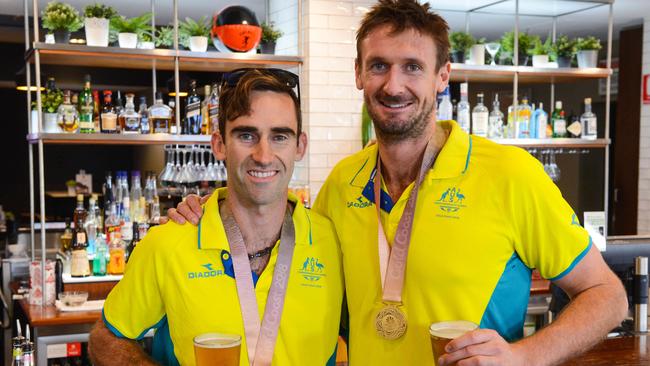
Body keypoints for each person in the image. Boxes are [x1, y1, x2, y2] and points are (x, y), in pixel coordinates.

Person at [167, 0, 628, 365]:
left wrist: (525, 357)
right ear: (358, 75)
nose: (393, 85)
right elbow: (278, 244)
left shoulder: (510, 175)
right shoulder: (342, 183)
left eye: (412, 66)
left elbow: (607, 296)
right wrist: (207, 208)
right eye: (379, 66)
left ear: (442, 76)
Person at [88, 69, 344, 366]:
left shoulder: (333, 243)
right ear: (219, 144)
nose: (263, 155)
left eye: (279, 136)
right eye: (247, 135)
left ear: (300, 146)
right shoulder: (167, 244)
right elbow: (105, 339)